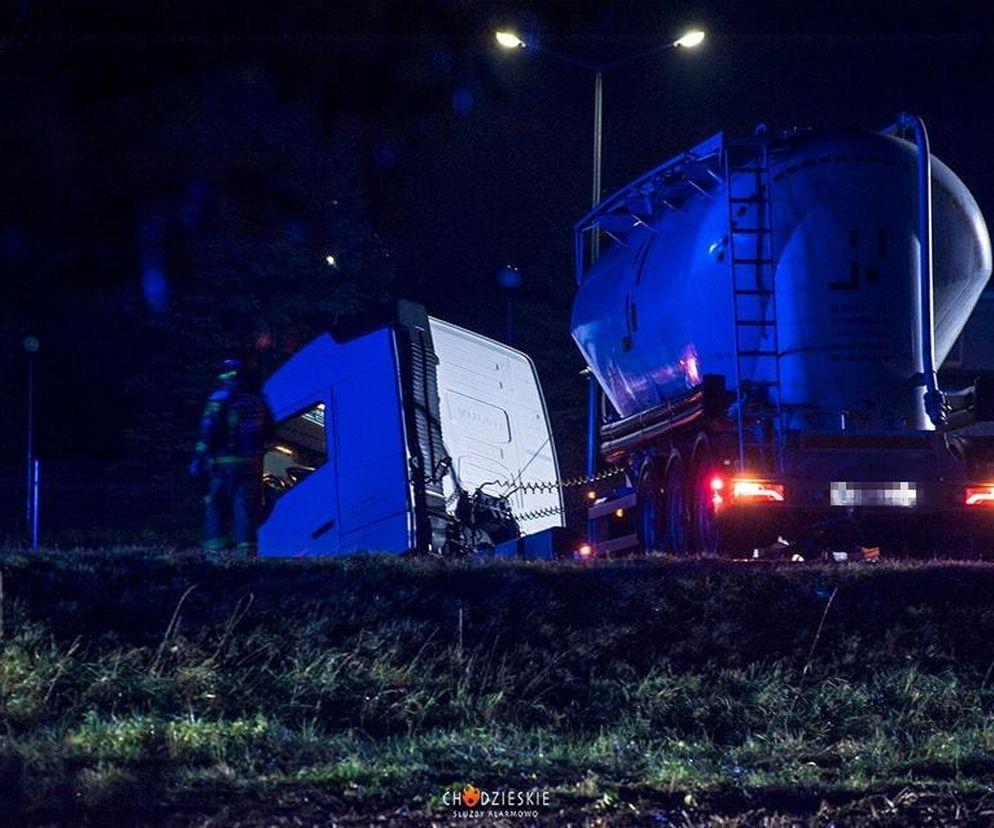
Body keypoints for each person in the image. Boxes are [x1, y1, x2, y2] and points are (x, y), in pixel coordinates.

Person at [190, 358, 273, 558]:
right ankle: (247, 556)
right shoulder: (258, 400)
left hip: (224, 463)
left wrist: (199, 458)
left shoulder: (219, 399)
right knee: (244, 507)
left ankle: (215, 555)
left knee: (216, 505)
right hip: (252, 464)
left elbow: (208, 430)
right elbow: (270, 431)